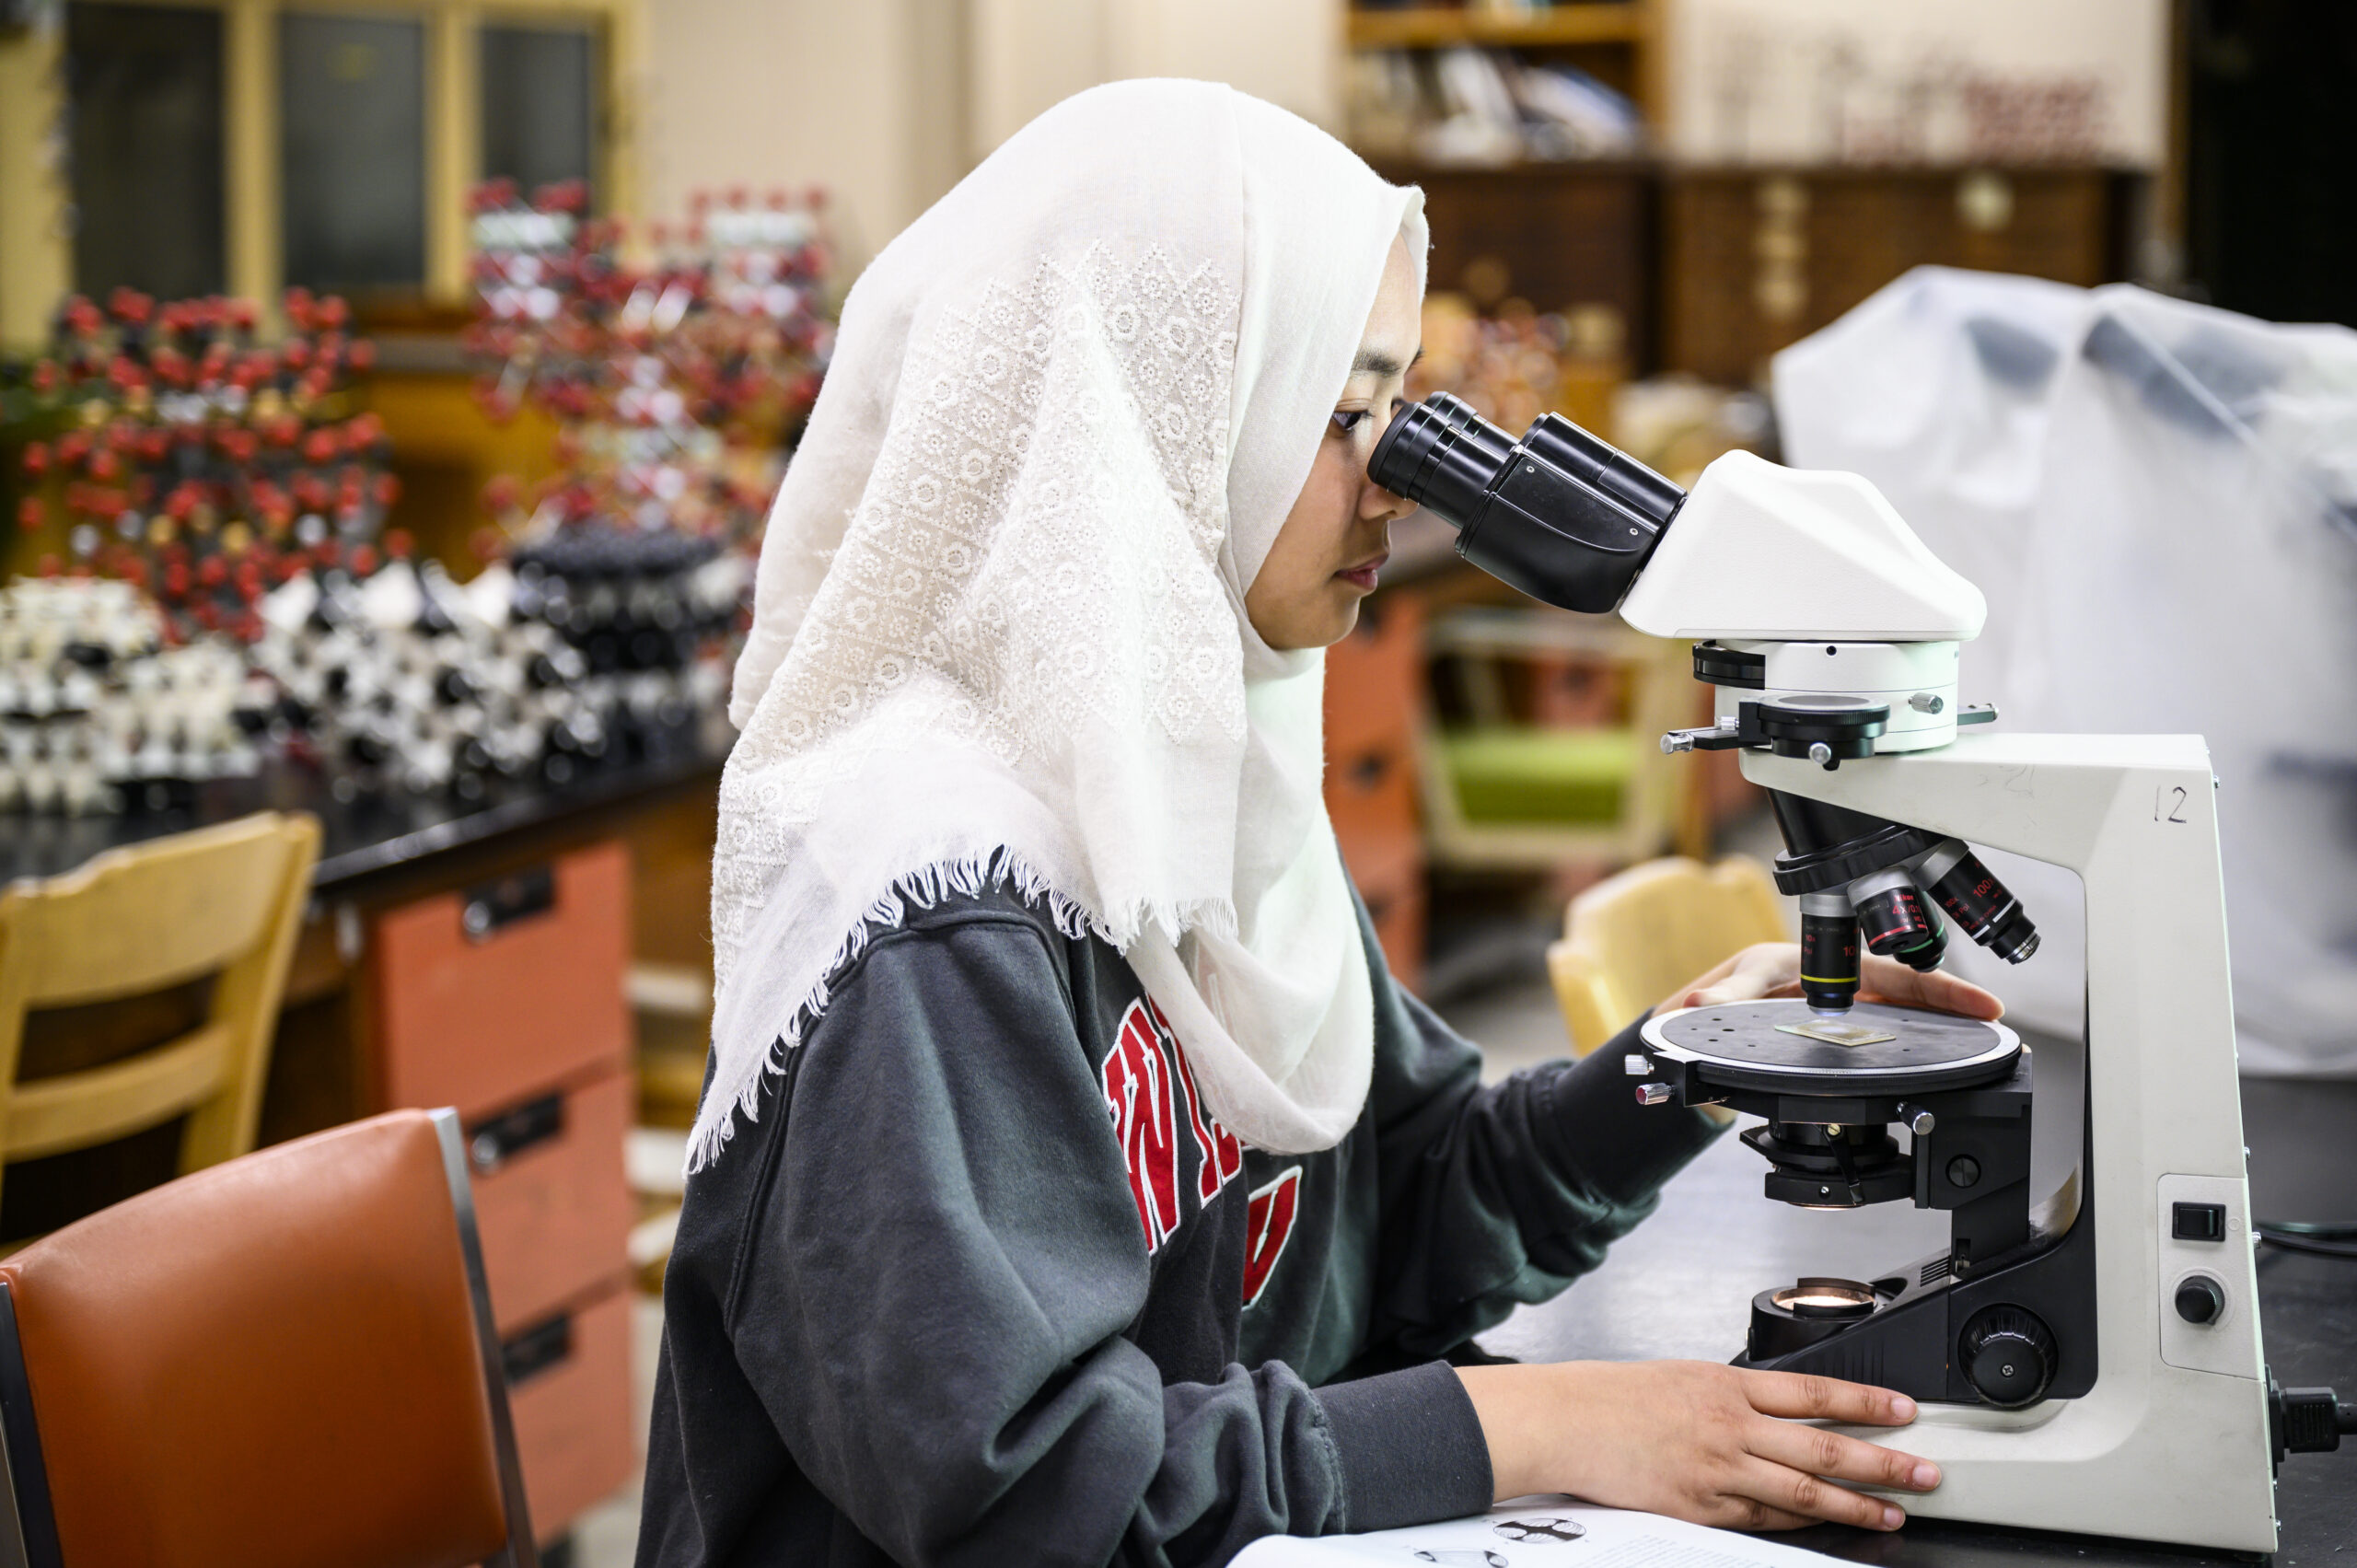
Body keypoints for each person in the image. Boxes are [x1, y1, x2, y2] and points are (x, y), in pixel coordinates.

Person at [638, 80, 2002, 1568]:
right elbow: (1034, 1500)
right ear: (1143, 422)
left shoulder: (1198, 783)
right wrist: (1548, 1429)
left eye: (1399, 407)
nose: (1395, 487)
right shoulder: (931, 906)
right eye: (1341, 410)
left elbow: (1404, 1218)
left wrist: (1679, 1071)